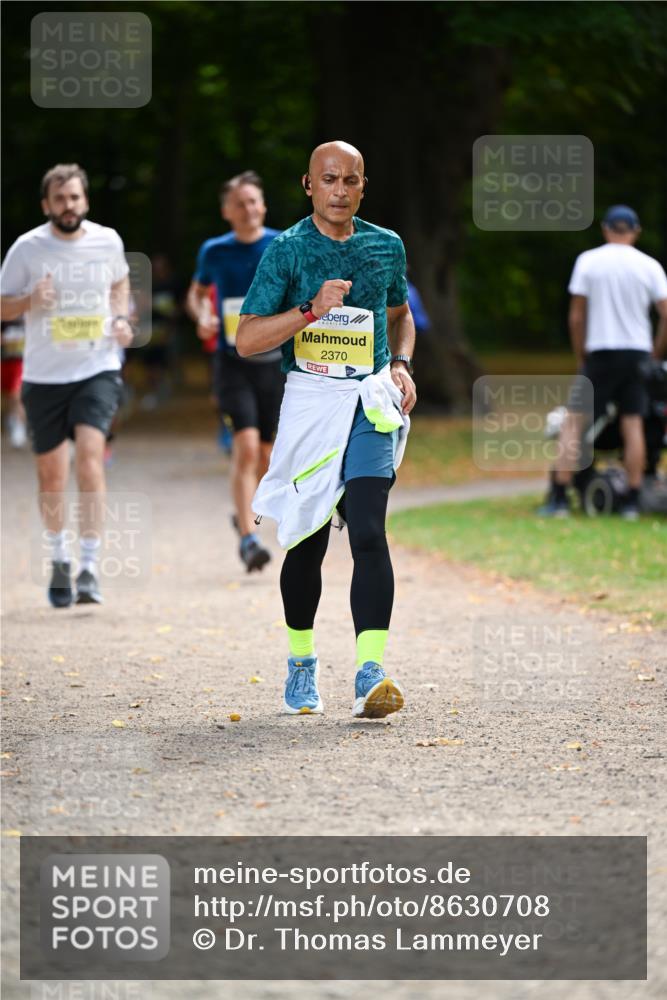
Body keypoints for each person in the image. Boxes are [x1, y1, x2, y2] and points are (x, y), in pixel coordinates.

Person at [237, 140, 417, 719]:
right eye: (329, 179)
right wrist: (311, 311)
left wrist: (401, 363)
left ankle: (370, 672)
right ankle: (301, 663)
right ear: (308, 185)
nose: (340, 190)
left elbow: (400, 314)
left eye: (351, 180)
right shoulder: (286, 251)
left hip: (369, 400)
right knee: (307, 543)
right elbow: (247, 339)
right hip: (311, 401)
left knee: (367, 529)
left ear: (364, 185)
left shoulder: (385, 246)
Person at [0, 163, 133, 605]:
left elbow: (119, 282)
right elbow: (3, 306)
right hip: (44, 375)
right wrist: (29, 300)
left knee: (90, 458)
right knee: (51, 474)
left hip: (97, 367)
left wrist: (119, 317)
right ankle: (60, 558)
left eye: (75, 197)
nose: (68, 205)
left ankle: (91, 567)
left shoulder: (107, 240)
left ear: (85, 201)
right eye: (59, 199)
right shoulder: (27, 248)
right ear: (47, 205)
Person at [187, 171, 283, 572]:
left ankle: (243, 514)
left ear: (263, 205)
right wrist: (203, 315)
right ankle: (248, 539)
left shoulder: (282, 244)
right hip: (232, 365)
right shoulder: (214, 251)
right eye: (239, 203)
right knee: (244, 447)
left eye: (254, 202)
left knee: (267, 457)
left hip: (277, 364)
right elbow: (195, 294)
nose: (248, 209)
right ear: (227, 211)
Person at [546, 205, 667, 520]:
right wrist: (654, 354)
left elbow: (576, 317)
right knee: (633, 423)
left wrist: (580, 354)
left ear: (605, 229)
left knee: (574, 423)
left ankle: (559, 497)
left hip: (599, 351)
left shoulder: (589, 262)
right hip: (638, 353)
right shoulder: (649, 266)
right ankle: (631, 498)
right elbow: (665, 314)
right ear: (636, 231)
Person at [1, 318, 28, 448]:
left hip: (18, 362)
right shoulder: (4, 316)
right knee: (8, 398)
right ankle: (11, 420)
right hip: (3, 361)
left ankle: (18, 426)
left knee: (16, 395)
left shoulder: (25, 318)